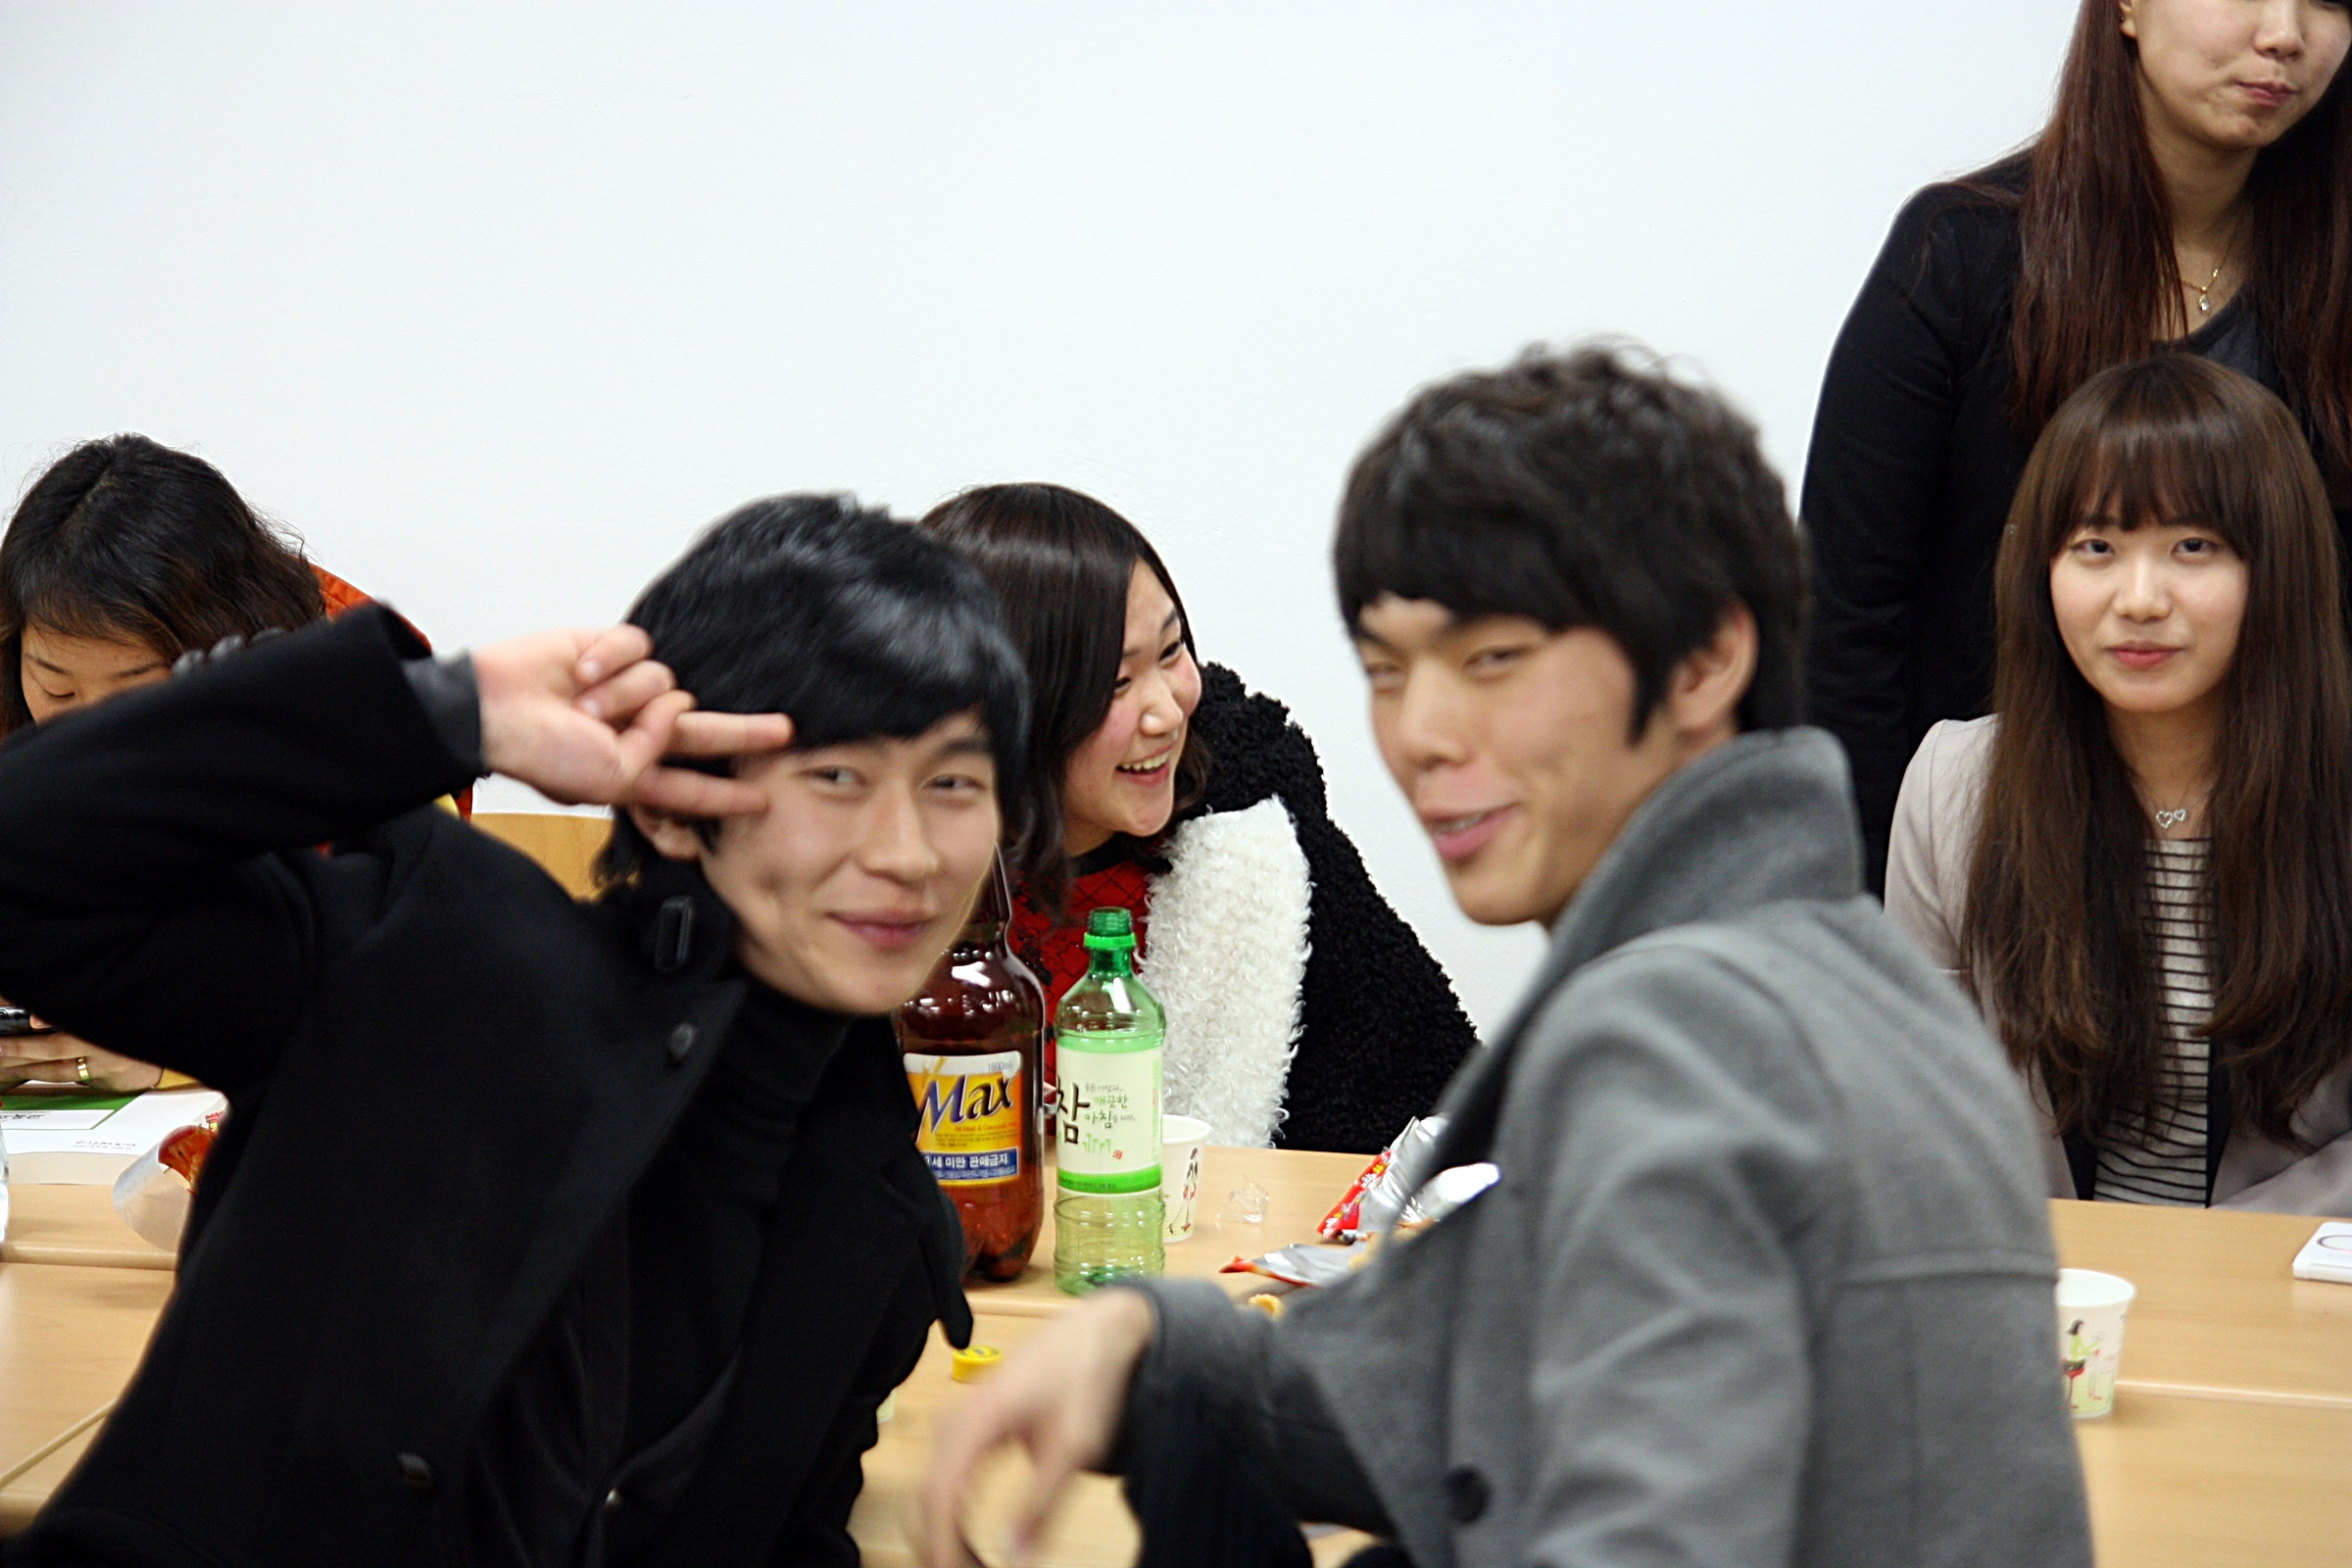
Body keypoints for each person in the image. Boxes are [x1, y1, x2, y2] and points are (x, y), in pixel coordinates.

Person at [918, 348, 2088, 1568]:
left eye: (1491, 661)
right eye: (1388, 670)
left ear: (1703, 661)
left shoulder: (1689, 1037)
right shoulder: (1799, 972)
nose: (1419, 734)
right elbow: (1457, 1370)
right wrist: (1157, 1347)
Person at [0, 495, 1033, 1567]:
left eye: (953, 782)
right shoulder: (422, 952)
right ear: (672, 800)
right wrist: (449, 712)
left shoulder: (881, 1219)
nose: (909, 853)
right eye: (838, 778)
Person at [1802, 0, 2352, 887]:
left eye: (2330, 1)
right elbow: (1847, 619)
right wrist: (1869, 920)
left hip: (2283, 877)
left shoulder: (2333, 277)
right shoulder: (1960, 255)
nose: (2285, 33)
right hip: (1992, 870)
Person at [1887, 356, 2352, 1214]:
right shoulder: (1954, 786)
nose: (2139, 599)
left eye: (2193, 547)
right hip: (2043, 1279)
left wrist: (2200, 1264)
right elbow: (1912, 1103)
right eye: (2096, 547)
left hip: (2283, 1280)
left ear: (2277, 568)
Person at [919, 483, 1476, 1154]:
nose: (1166, 711)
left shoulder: (1264, 862)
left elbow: (1451, 1126)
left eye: (1170, 651)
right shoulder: (899, 882)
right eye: (1116, 684)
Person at [0, 432, 458, 1092]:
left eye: (133, 693)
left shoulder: (356, 698)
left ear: (223, 648)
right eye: (57, 690)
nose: (92, 735)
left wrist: (177, 1054)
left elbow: (420, 994)